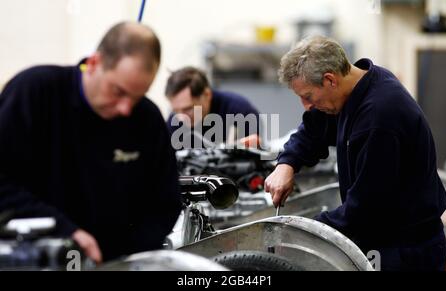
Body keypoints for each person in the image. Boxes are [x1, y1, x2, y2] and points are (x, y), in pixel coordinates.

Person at [0, 22, 182, 263]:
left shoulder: (146, 119)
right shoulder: (35, 92)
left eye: (137, 97)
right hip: (36, 258)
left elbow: (166, 202)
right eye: (118, 91)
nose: (126, 108)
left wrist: (124, 258)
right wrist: (64, 231)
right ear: (94, 63)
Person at [264, 36, 446, 271]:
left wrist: (298, 232)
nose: (305, 105)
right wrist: (286, 164)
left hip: (405, 254)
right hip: (382, 240)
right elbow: (313, 130)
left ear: (330, 79)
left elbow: (364, 212)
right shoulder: (355, 87)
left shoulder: (379, 118)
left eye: (308, 96)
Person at [165, 66, 261, 149]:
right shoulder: (174, 122)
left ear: (207, 94)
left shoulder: (240, 112)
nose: (181, 118)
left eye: (188, 109)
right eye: (176, 111)